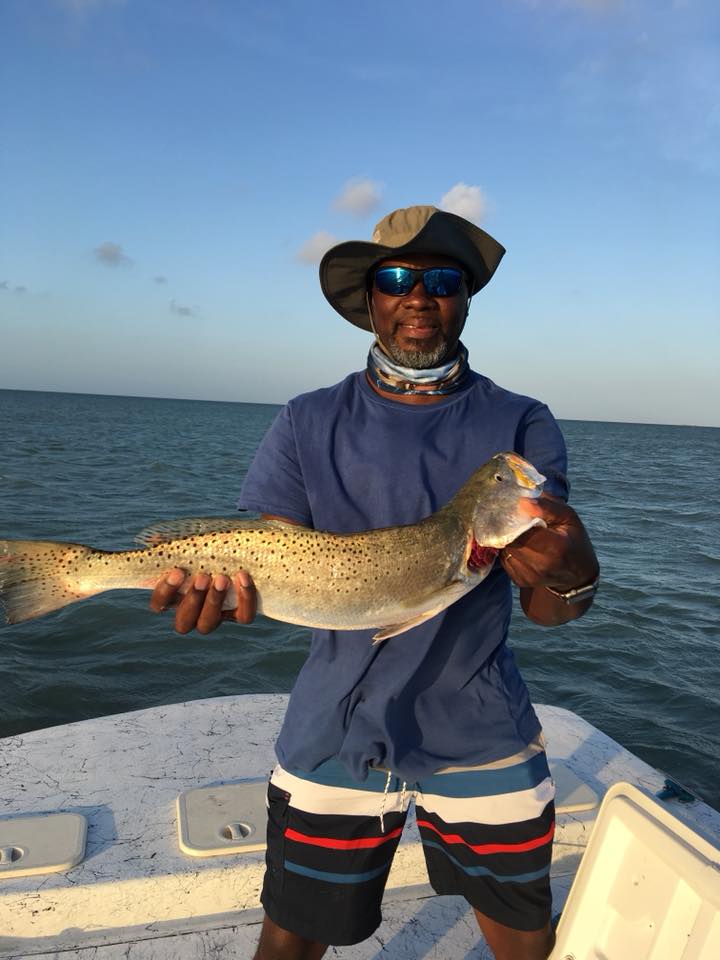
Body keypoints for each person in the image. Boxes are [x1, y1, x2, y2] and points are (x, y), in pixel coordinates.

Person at [151, 206, 599, 960]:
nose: (417, 296)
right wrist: (219, 590)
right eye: (396, 279)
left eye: (440, 279)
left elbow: (547, 608)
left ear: (463, 297)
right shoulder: (306, 418)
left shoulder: (521, 422)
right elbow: (273, 553)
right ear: (370, 300)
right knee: (289, 938)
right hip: (333, 726)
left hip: (481, 729)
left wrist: (576, 576)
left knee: (527, 939)